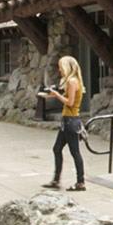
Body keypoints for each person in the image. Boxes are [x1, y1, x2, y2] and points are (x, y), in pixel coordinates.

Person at [41, 56, 86, 191]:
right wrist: (51, 94)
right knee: (57, 149)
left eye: (61, 66)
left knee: (75, 152)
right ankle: (56, 180)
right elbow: (66, 98)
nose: (59, 70)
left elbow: (70, 102)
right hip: (68, 121)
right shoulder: (72, 81)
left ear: (67, 67)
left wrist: (56, 95)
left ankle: (80, 182)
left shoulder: (72, 81)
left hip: (71, 121)